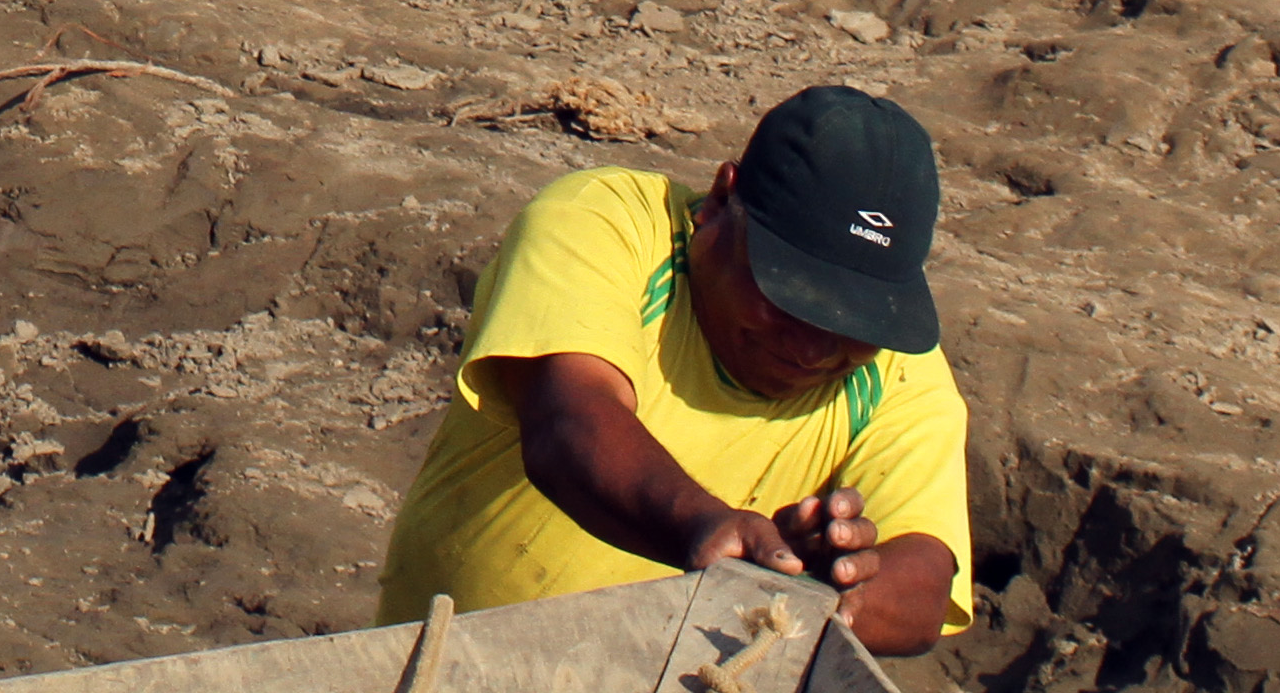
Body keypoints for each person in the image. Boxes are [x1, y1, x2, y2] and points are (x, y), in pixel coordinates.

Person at [376, 84, 972, 655]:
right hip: (448, 665)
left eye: (856, 323)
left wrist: (830, 592)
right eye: (791, 299)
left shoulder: (899, 373)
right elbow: (569, 421)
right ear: (720, 200)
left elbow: (924, 579)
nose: (815, 350)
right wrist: (704, 528)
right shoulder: (607, 225)